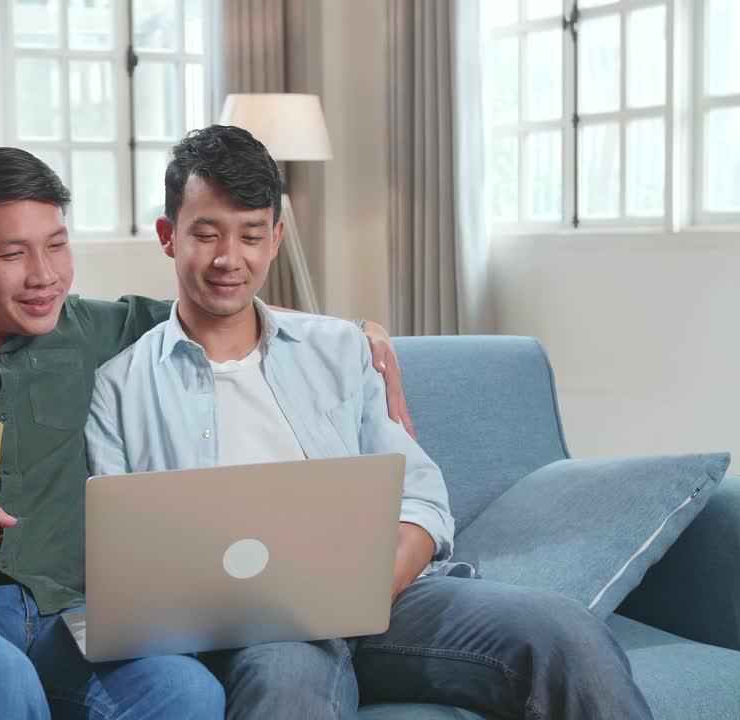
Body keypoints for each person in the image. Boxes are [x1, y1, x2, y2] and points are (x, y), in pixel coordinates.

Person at [0, 145, 409, 719]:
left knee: (185, 692)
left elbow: (218, 304)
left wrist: (355, 337)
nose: (45, 276)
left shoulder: (88, 330)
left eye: (57, 246)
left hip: (72, 618)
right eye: (13, 254)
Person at [83, 125, 654, 720]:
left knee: (562, 628)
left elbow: (423, 499)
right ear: (168, 237)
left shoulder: (339, 350)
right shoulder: (121, 386)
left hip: (390, 599)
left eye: (251, 235)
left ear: (276, 238)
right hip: (259, 634)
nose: (231, 258)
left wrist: (364, 588)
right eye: (206, 235)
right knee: (287, 690)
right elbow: (126, 568)